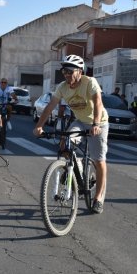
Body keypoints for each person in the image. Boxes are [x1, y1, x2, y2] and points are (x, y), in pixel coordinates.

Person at [33, 55, 109, 214]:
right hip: (80, 121)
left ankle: (99, 197)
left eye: (69, 70)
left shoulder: (90, 83)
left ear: (80, 71)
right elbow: (50, 107)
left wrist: (95, 124)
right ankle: (79, 172)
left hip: (98, 122)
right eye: (63, 71)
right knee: (65, 145)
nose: (66, 74)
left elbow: (98, 103)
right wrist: (39, 126)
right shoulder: (62, 87)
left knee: (99, 159)